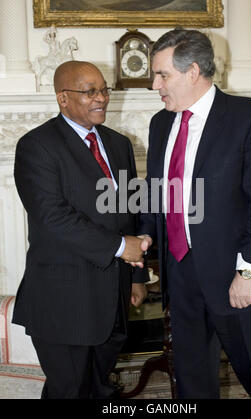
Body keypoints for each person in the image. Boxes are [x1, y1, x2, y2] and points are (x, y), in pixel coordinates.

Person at [138, 29, 251, 399]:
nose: (155, 84)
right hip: (181, 276)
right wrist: (144, 237)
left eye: (162, 75)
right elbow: (158, 192)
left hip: (238, 279)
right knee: (191, 384)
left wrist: (246, 272)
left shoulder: (248, 116)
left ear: (192, 72)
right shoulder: (160, 123)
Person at [12, 60, 149, 399]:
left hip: (113, 297)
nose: (101, 98)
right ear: (63, 98)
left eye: (104, 89)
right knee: (69, 391)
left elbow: (129, 212)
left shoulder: (119, 144)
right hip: (64, 300)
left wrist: (136, 278)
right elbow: (52, 218)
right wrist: (120, 247)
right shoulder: (36, 146)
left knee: (99, 389)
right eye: (90, 92)